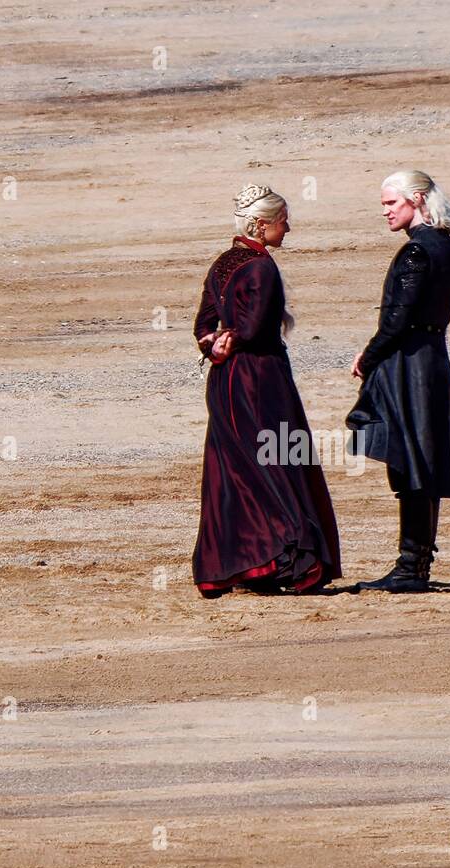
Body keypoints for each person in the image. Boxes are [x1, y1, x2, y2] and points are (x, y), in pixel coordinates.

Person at [347, 170, 450, 593]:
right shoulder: (447, 247)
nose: (385, 212)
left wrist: (369, 355)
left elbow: (398, 319)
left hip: (408, 364)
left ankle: (411, 568)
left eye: (391, 203)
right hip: (432, 360)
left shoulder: (416, 251)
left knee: (409, 461)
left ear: (416, 199)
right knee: (422, 462)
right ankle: (415, 565)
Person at [191, 184, 341, 598]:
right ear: (260, 224)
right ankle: (291, 559)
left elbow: (203, 325)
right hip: (260, 378)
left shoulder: (221, 264)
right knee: (277, 459)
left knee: (234, 468)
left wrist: (215, 343)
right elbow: (256, 329)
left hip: (224, 381)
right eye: (282, 220)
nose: (288, 228)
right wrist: (234, 339)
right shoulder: (260, 267)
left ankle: (239, 563)